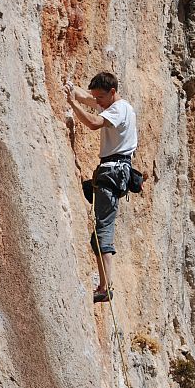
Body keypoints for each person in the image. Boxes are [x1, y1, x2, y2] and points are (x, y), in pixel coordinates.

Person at [65, 71, 137, 302]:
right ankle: (106, 284)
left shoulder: (119, 108)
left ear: (113, 92)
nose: (98, 102)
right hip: (113, 171)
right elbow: (90, 99)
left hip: (113, 172)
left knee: (102, 230)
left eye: (101, 98)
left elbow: (95, 123)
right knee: (98, 222)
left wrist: (72, 104)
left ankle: (105, 287)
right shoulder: (109, 104)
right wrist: (72, 89)